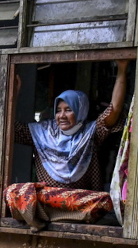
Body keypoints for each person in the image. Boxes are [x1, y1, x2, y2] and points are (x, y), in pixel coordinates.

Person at [14, 59, 129, 191]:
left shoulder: (90, 133)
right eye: (58, 110)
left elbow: (114, 110)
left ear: (81, 111)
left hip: (83, 206)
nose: (61, 115)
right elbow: (10, 129)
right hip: (48, 205)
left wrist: (122, 69)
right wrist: (14, 95)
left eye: (68, 110)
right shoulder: (43, 133)